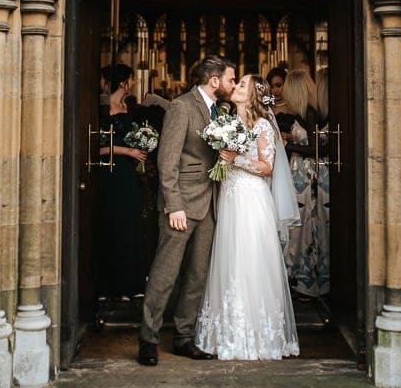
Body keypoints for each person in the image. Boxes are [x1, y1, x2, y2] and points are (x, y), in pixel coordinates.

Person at [138, 55, 237, 366]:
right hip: (181, 205)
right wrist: (174, 206)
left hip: (209, 204)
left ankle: (184, 336)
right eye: (230, 79)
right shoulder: (181, 106)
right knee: (165, 274)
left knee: (197, 275)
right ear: (214, 80)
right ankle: (148, 339)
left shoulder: (219, 111)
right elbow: (166, 161)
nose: (232, 84)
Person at [194, 74, 300, 360]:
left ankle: (257, 335)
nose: (236, 87)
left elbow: (267, 167)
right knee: (229, 260)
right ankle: (227, 334)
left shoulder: (263, 125)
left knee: (249, 260)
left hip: (252, 200)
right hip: (230, 198)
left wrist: (233, 159)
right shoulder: (228, 122)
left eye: (241, 85)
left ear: (252, 94)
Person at [95, 64, 150, 300]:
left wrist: (143, 145)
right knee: (111, 222)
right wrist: (128, 151)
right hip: (110, 171)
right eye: (131, 79)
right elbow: (96, 148)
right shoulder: (101, 108)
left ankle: (130, 284)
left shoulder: (129, 107)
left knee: (129, 221)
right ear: (123, 82)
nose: (134, 83)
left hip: (128, 172)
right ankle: (109, 287)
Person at [280, 68, 330, 300]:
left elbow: (316, 148)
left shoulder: (309, 113)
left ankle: (307, 280)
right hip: (301, 174)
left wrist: (288, 146)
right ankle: (301, 277)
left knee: (306, 225)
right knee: (300, 226)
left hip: (309, 174)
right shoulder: (305, 112)